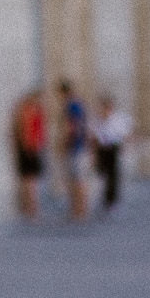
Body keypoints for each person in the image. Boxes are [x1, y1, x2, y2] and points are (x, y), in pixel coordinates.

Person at [91, 95, 132, 212]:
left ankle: (112, 201)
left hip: (113, 148)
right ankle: (104, 198)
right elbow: (94, 136)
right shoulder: (98, 120)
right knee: (102, 174)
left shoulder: (118, 119)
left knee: (112, 176)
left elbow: (124, 134)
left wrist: (124, 147)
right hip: (102, 149)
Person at [12, 89, 46, 220]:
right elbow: (27, 132)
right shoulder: (30, 111)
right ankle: (32, 208)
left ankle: (28, 207)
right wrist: (30, 147)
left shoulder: (24, 111)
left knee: (27, 179)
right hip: (30, 148)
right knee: (31, 180)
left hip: (27, 148)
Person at [59, 81, 89, 222]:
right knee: (78, 178)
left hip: (75, 146)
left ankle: (78, 209)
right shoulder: (79, 103)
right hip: (81, 145)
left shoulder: (71, 105)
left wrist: (66, 142)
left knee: (76, 179)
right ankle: (80, 209)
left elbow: (73, 126)